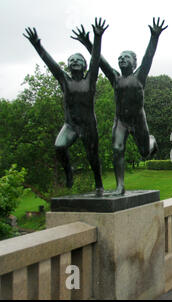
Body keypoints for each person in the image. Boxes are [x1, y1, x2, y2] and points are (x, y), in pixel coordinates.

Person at [72, 18, 167, 194]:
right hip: (121, 122)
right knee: (117, 149)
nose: (122, 60)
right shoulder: (115, 78)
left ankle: (151, 140)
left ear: (134, 63)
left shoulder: (139, 76)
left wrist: (154, 37)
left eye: (126, 57)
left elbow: (149, 56)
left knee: (145, 152)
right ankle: (120, 186)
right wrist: (88, 42)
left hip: (138, 121)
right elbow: (100, 61)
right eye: (120, 58)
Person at [24, 19, 108, 196]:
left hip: (88, 126)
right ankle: (69, 172)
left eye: (79, 60)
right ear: (68, 66)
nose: (75, 62)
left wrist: (97, 39)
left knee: (93, 157)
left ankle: (99, 184)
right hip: (70, 125)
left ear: (84, 66)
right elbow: (51, 64)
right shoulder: (64, 81)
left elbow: (95, 60)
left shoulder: (90, 80)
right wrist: (37, 45)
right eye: (71, 60)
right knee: (59, 147)